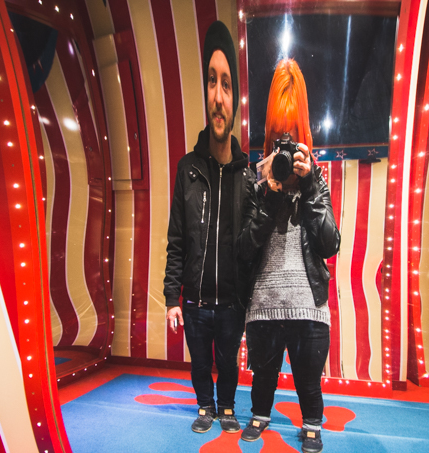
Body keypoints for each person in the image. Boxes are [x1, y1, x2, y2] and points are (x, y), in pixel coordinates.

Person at [237, 59, 340, 453]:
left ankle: (312, 423)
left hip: (308, 305)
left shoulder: (317, 181)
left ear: (304, 140)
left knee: (308, 380)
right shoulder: (256, 182)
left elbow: (330, 244)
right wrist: (268, 195)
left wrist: (309, 184)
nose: (284, 147)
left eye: (291, 138)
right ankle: (260, 414)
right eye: (278, 138)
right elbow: (244, 249)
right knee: (262, 375)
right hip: (264, 304)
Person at [163, 20, 255, 435]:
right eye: (212, 82)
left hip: (232, 302)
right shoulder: (187, 168)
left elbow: (252, 246)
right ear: (205, 91)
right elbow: (176, 239)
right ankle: (205, 405)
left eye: (227, 86)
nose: (219, 97)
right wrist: (172, 296)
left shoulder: (247, 174)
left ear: (236, 99)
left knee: (228, 362)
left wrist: (250, 302)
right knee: (200, 362)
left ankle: (228, 406)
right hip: (196, 302)